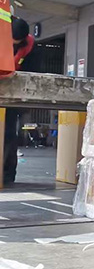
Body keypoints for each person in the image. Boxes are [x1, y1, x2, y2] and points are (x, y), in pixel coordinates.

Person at [3, 16, 40, 184]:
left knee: (9, 134)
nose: (14, 45)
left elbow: (32, 74)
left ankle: (7, 174)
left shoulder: (31, 47)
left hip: (12, 97)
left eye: (17, 43)